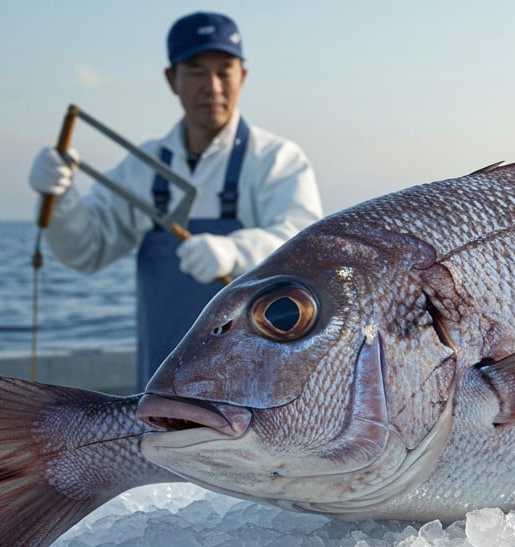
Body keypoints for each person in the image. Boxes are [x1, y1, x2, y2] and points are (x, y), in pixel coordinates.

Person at [28, 11, 322, 387]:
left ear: (243, 76)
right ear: (172, 79)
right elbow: (85, 251)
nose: (212, 87)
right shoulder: (142, 167)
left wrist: (235, 251)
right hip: (161, 385)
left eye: (224, 71)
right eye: (196, 71)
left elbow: (305, 250)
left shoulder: (277, 159)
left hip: (255, 389)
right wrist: (60, 198)